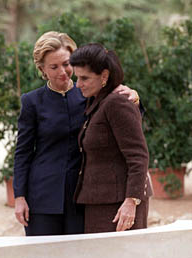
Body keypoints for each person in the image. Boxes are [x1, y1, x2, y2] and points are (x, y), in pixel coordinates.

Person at [13, 31, 141, 236]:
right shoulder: (32, 102)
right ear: (42, 69)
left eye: (67, 64)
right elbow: (23, 152)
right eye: (54, 67)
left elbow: (123, 120)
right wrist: (19, 196)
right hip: (42, 196)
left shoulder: (91, 92)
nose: (62, 72)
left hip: (83, 196)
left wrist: (134, 98)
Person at [70, 43, 151, 233]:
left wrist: (131, 201)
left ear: (104, 76)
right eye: (77, 77)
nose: (78, 84)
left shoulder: (117, 102)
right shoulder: (96, 100)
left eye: (84, 78)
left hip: (119, 206)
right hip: (98, 202)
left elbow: (138, 156)